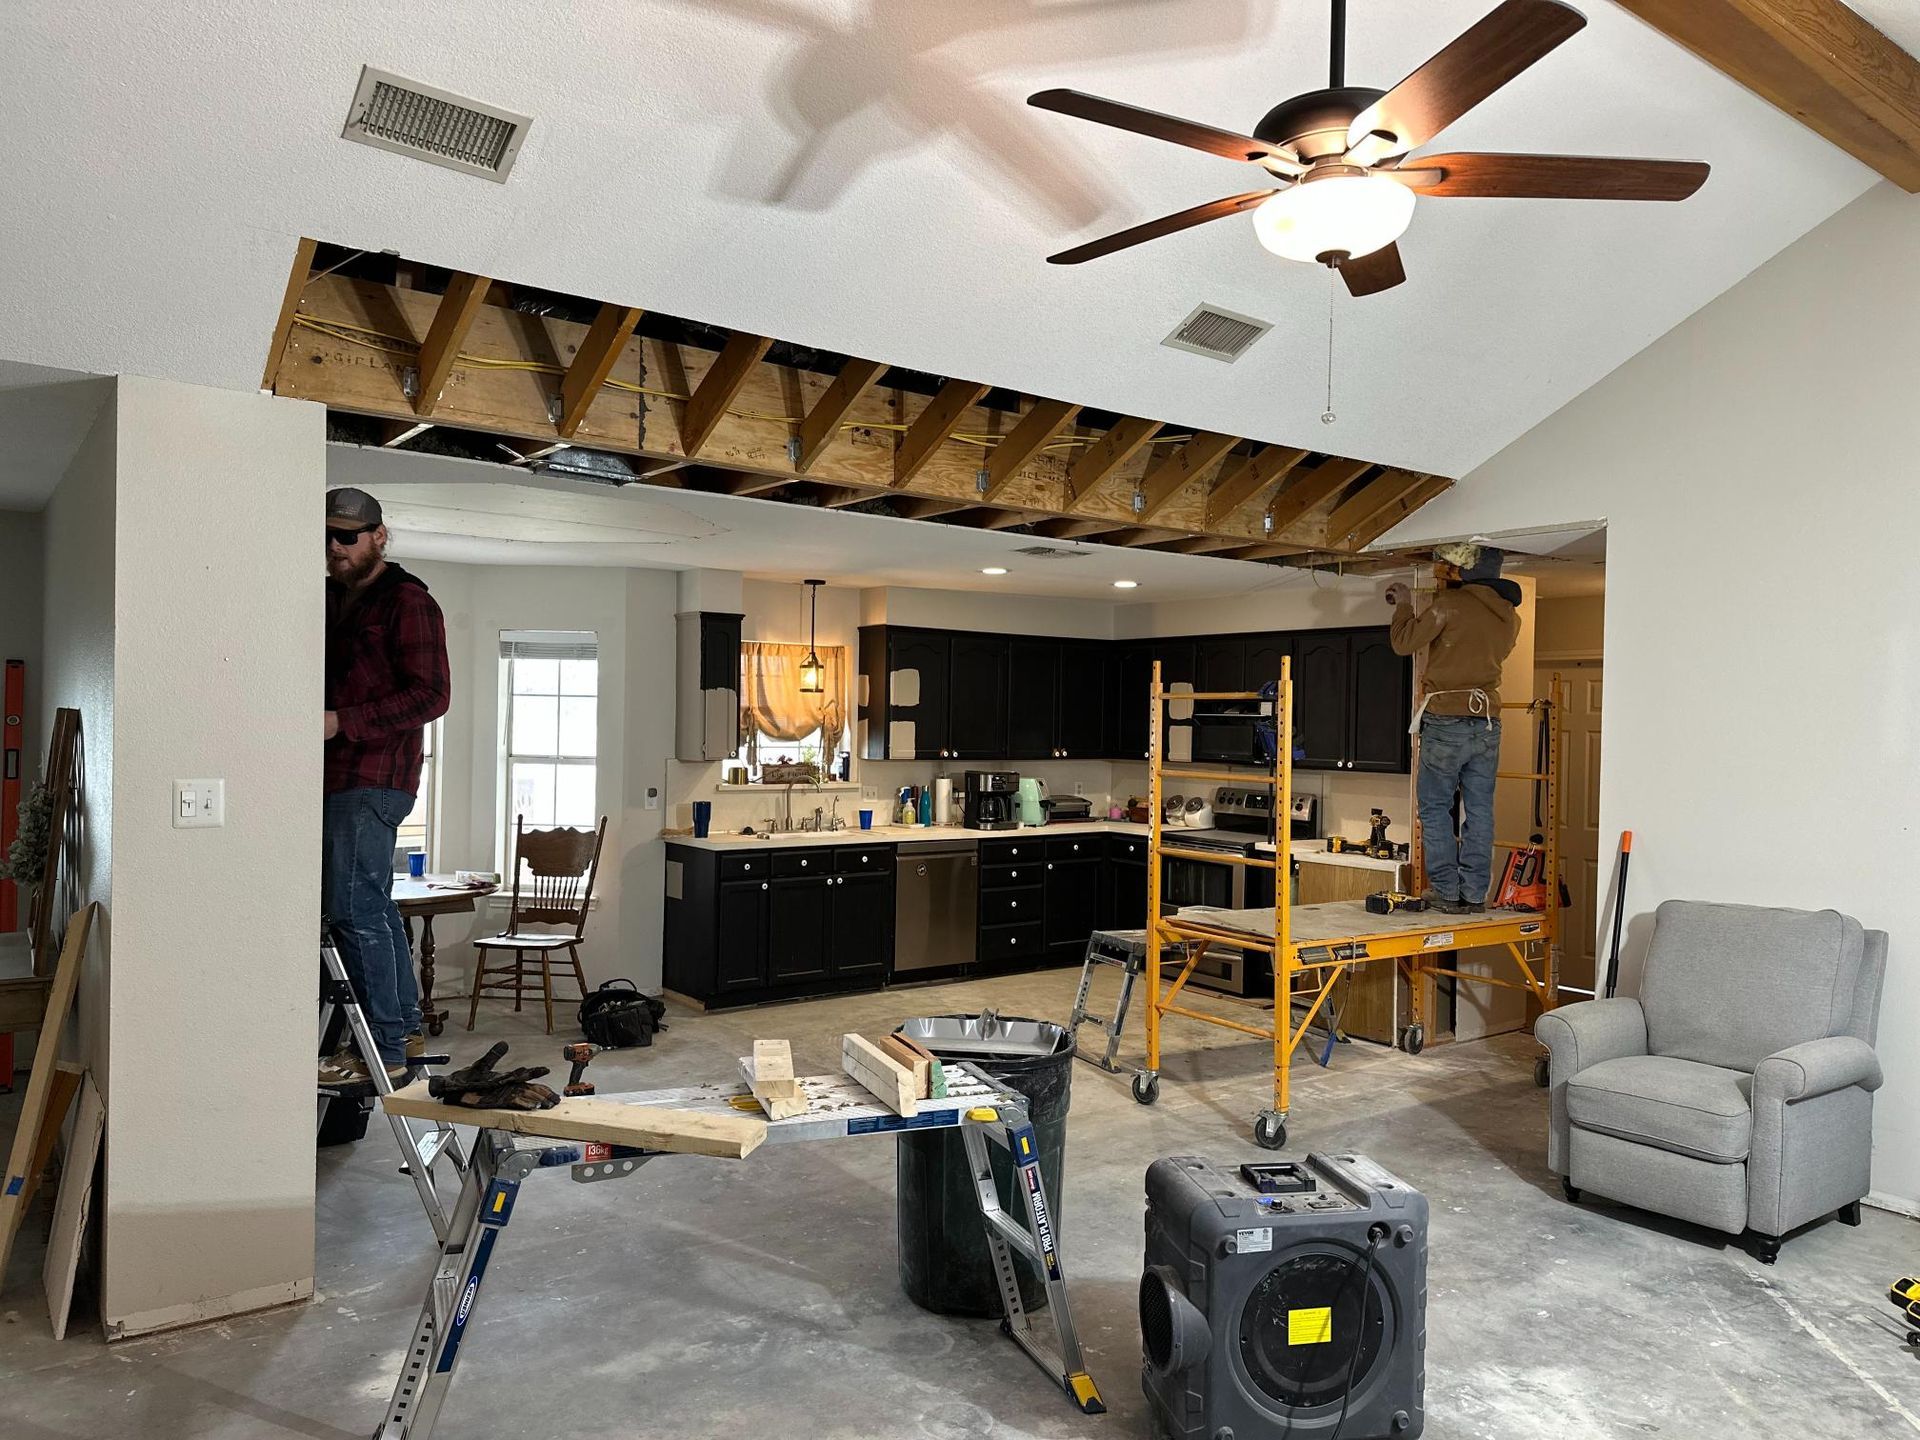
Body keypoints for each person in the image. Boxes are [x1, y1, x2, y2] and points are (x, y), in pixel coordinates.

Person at [322, 487, 451, 1085]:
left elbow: (433, 696)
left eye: (347, 536)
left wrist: (341, 722)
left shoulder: (408, 601)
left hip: (375, 779)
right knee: (368, 906)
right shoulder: (329, 598)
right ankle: (404, 1032)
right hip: (334, 778)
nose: (335, 546)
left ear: (379, 536)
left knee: (353, 909)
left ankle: (383, 1049)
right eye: (328, 536)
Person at [1387, 543, 1522, 916]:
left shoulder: (1450, 605)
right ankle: (1475, 894)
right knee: (1479, 809)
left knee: (1434, 807)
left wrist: (1403, 604)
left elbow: (1403, 643)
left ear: (1465, 571)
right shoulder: (1510, 616)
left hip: (1447, 716)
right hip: (1487, 720)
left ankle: (1447, 891)